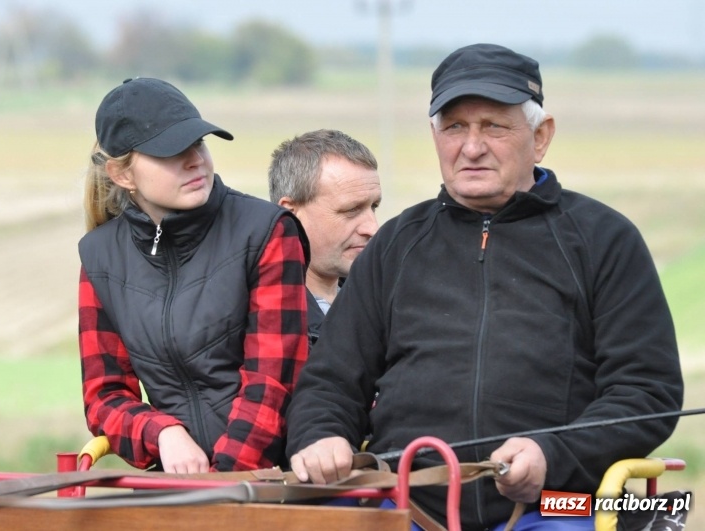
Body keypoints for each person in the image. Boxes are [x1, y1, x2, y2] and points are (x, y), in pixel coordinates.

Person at [285, 43, 684, 530]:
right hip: (406, 506)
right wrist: (322, 435)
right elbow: (331, 381)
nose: (471, 147)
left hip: (556, 506)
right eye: (454, 127)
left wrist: (552, 455)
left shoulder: (604, 240)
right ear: (435, 137)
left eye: (493, 126)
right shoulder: (396, 244)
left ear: (540, 137)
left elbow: (646, 392)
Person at [78, 77, 310, 474]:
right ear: (122, 175)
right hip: (181, 485)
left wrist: (219, 488)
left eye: (198, 143)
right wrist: (162, 432)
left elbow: (272, 386)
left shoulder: (267, 231)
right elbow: (105, 396)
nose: (195, 161)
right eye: (170, 152)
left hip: (276, 479)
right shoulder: (100, 257)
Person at [268, 129, 382, 344]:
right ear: (290, 215)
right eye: (351, 210)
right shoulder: (262, 320)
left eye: (373, 207)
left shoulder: (386, 303)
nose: (372, 228)